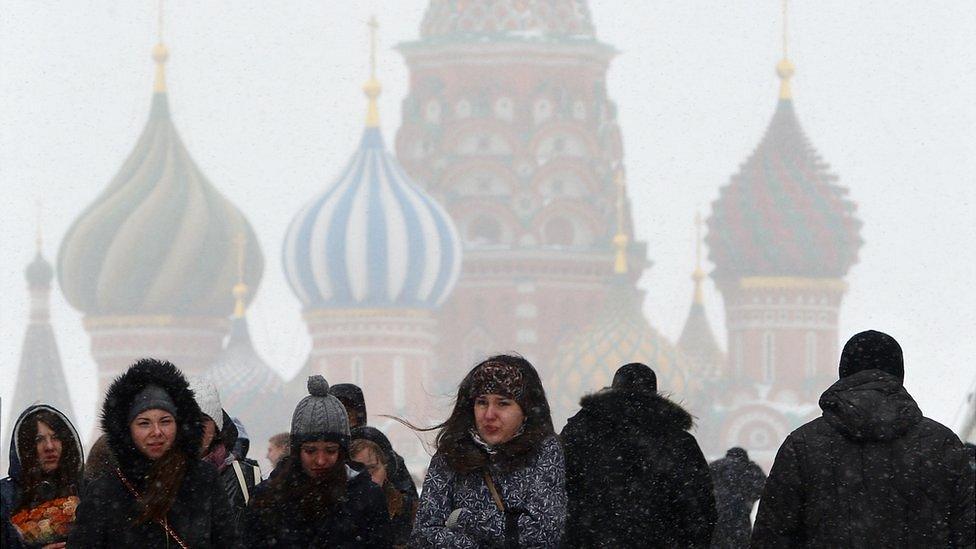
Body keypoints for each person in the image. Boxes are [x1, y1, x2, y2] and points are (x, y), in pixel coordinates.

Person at [752, 330, 975, 547]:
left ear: (844, 373)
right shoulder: (942, 445)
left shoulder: (803, 445)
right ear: (899, 375)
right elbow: (968, 531)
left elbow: (771, 535)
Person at [69, 358, 240, 548]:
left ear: (179, 424)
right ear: (128, 430)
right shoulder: (106, 492)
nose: (156, 432)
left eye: (165, 421)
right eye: (144, 423)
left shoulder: (203, 480)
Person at [410, 354, 567, 548]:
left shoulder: (544, 451)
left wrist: (464, 518)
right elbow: (424, 536)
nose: (489, 414)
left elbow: (543, 533)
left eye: (503, 403)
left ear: (526, 411)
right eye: (482, 402)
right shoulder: (451, 454)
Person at [560, 362, 716, 548]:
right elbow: (700, 507)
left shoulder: (580, 433)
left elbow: (557, 492)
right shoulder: (678, 441)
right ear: (655, 394)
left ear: (613, 389)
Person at [242, 375, 392, 547]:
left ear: (342, 452)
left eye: (330, 450)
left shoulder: (367, 497)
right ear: (297, 451)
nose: (320, 460)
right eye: (310, 450)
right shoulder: (267, 497)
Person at [1, 405, 84, 549]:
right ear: (25, 447)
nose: (49, 446)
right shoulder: (5, 497)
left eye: (56, 437)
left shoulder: (87, 490)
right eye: (39, 440)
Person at [189, 378, 260, 523]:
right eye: (188, 419)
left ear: (216, 428)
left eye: (203, 420)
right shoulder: (161, 475)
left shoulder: (246, 477)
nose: (196, 427)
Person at [331, 382, 418, 497]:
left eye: (348, 412)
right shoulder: (323, 452)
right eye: (338, 413)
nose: (344, 419)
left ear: (359, 415)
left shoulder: (378, 445)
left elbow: (408, 500)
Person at [350, 426, 419, 548]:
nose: (368, 477)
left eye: (373, 468)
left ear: (386, 469)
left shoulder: (406, 511)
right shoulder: (336, 511)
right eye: (358, 469)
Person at [709, 447, 765, 548]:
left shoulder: (715, 466)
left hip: (717, 517)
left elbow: (703, 487)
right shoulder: (750, 468)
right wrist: (748, 499)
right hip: (741, 517)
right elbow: (763, 488)